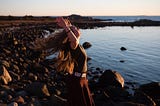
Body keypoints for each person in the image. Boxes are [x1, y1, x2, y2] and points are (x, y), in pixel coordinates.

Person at [30, 17, 95, 106]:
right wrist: (65, 27)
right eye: (74, 29)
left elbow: (75, 39)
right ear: (70, 35)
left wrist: (67, 25)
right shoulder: (73, 45)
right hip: (77, 80)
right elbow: (74, 40)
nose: (76, 28)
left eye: (75, 28)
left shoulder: (78, 45)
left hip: (81, 79)